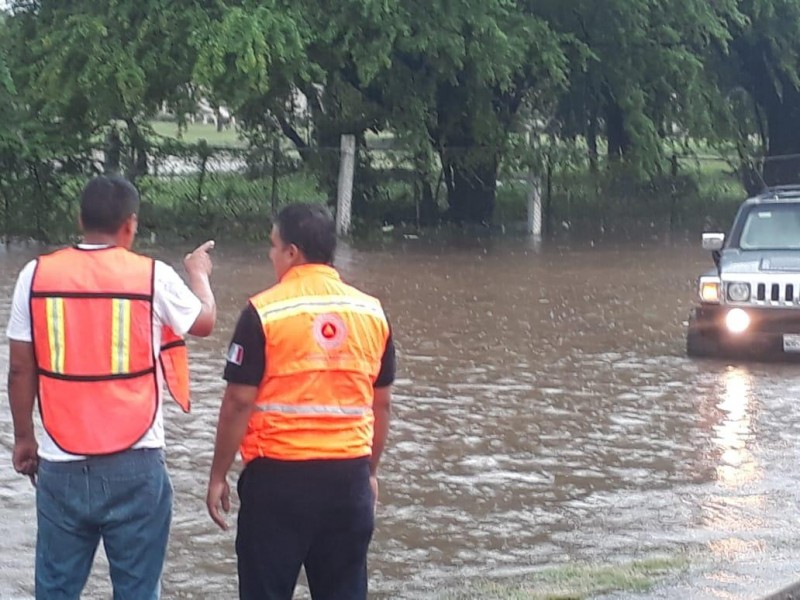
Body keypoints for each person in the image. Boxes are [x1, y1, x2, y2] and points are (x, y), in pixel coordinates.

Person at [6, 175, 217, 599]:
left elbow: (19, 370)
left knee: (55, 590)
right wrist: (198, 275)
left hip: (60, 461)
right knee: (138, 591)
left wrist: (25, 439)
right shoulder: (152, 275)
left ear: (80, 219)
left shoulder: (36, 275)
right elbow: (204, 322)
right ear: (131, 225)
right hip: (135, 462)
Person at [206, 203, 395, 600]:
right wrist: (370, 472)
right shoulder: (371, 312)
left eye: (273, 247)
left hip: (278, 482)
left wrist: (218, 474)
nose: (271, 256)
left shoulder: (263, 311)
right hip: (349, 480)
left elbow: (238, 402)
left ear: (292, 252)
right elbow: (381, 405)